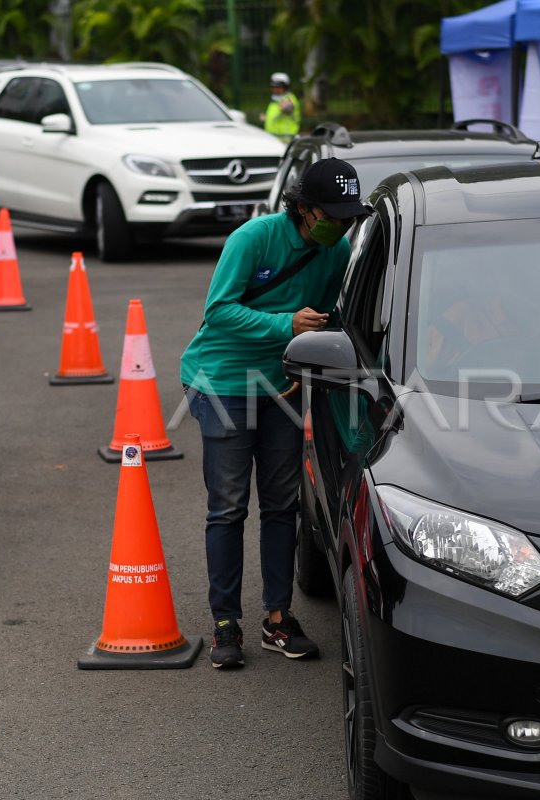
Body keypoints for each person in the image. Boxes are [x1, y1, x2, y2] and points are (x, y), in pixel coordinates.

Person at [180, 158, 369, 669]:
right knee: (228, 506)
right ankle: (225, 621)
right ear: (304, 209)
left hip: (284, 389)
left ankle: (277, 617)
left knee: (283, 505)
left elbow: (332, 321)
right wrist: (286, 323)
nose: (342, 225)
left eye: (348, 216)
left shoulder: (338, 251)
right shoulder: (254, 239)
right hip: (223, 382)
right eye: (332, 214)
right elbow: (218, 310)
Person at [262, 71, 301, 141]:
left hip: (285, 139)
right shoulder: (275, 100)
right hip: (274, 139)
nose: (275, 89)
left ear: (285, 87)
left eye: (278, 87)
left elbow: (289, 108)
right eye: (273, 87)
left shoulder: (289, 99)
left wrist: (288, 108)